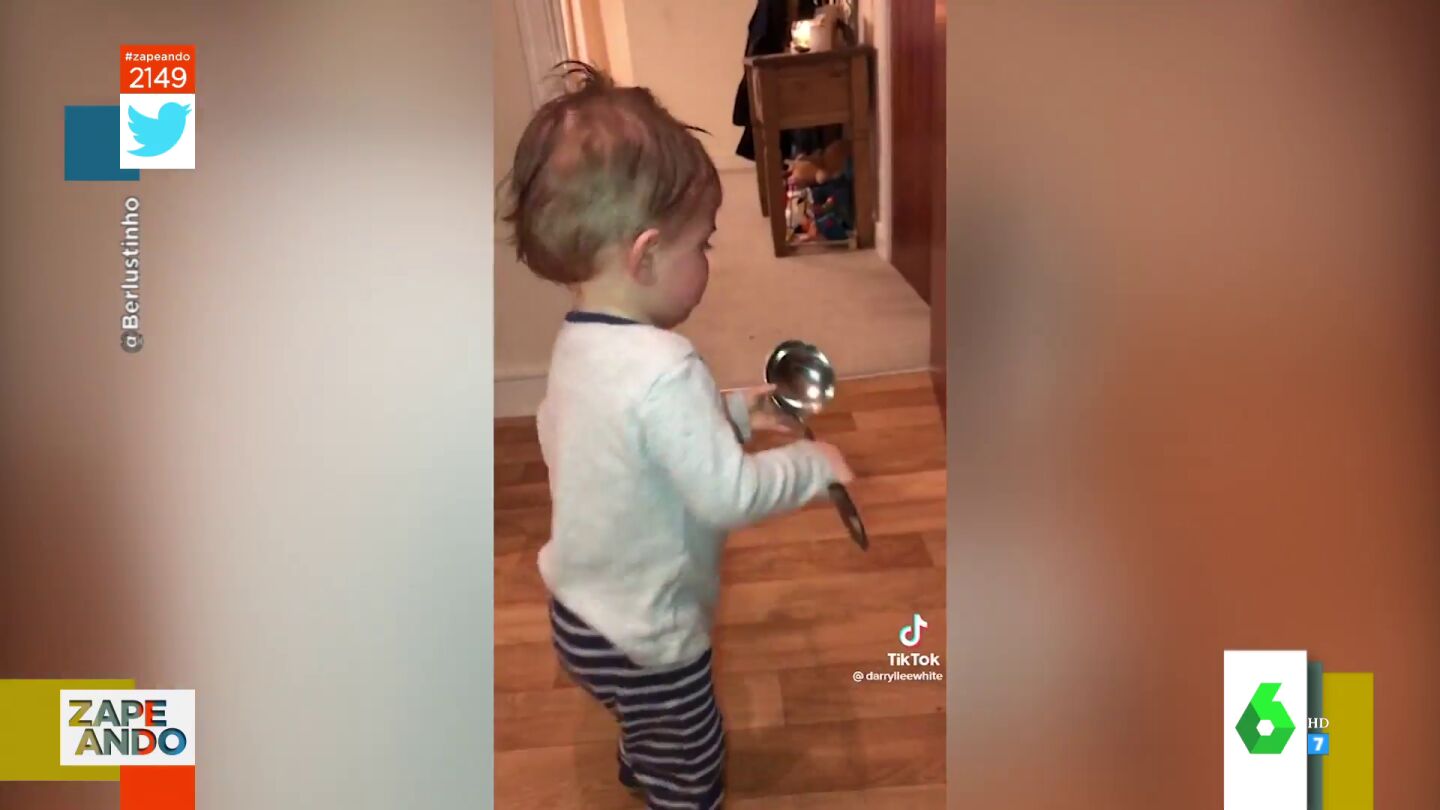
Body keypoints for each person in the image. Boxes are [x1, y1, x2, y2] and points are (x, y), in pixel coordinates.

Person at [499, 63, 853, 809]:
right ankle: (673, 786)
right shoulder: (668, 368)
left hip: (580, 613)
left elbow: (626, 438)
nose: (708, 263)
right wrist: (811, 464)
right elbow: (728, 495)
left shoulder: (578, 344)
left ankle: (645, 759)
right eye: (704, 245)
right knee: (694, 757)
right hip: (649, 632)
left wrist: (736, 415)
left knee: (648, 722)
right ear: (648, 255)